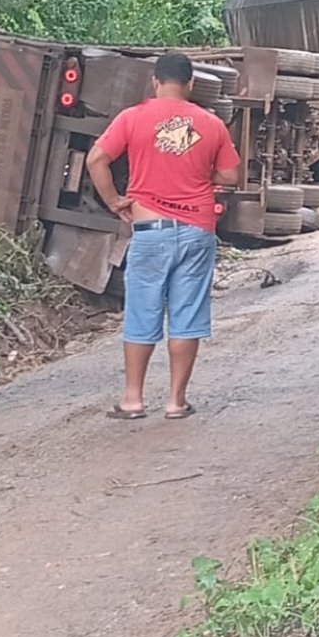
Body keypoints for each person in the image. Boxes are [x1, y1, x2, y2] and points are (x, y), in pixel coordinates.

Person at [86, 52, 241, 421]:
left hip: (150, 230)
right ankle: (175, 401)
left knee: (142, 311)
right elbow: (232, 176)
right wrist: (201, 175)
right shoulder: (211, 123)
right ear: (189, 85)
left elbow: (96, 160)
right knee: (187, 315)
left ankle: (133, 400)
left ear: (155, 82)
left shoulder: (133, 117)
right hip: (197, 231)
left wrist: (113, 201)